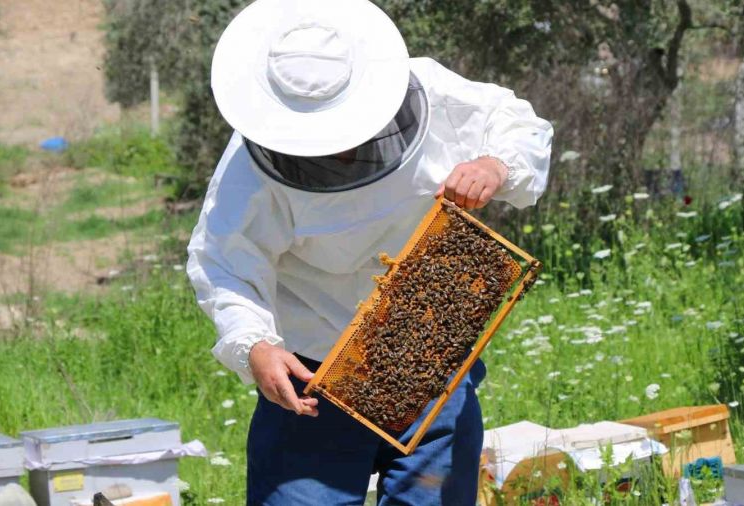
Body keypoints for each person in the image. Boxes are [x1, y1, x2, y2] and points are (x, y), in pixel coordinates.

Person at [186, 0, 553, 503]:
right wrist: (254, 344)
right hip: (311, 380)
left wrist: (495, 165)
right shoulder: (252, 162)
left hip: (428, 358)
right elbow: (224, 261)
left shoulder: (434, 92)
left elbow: (521, 126)